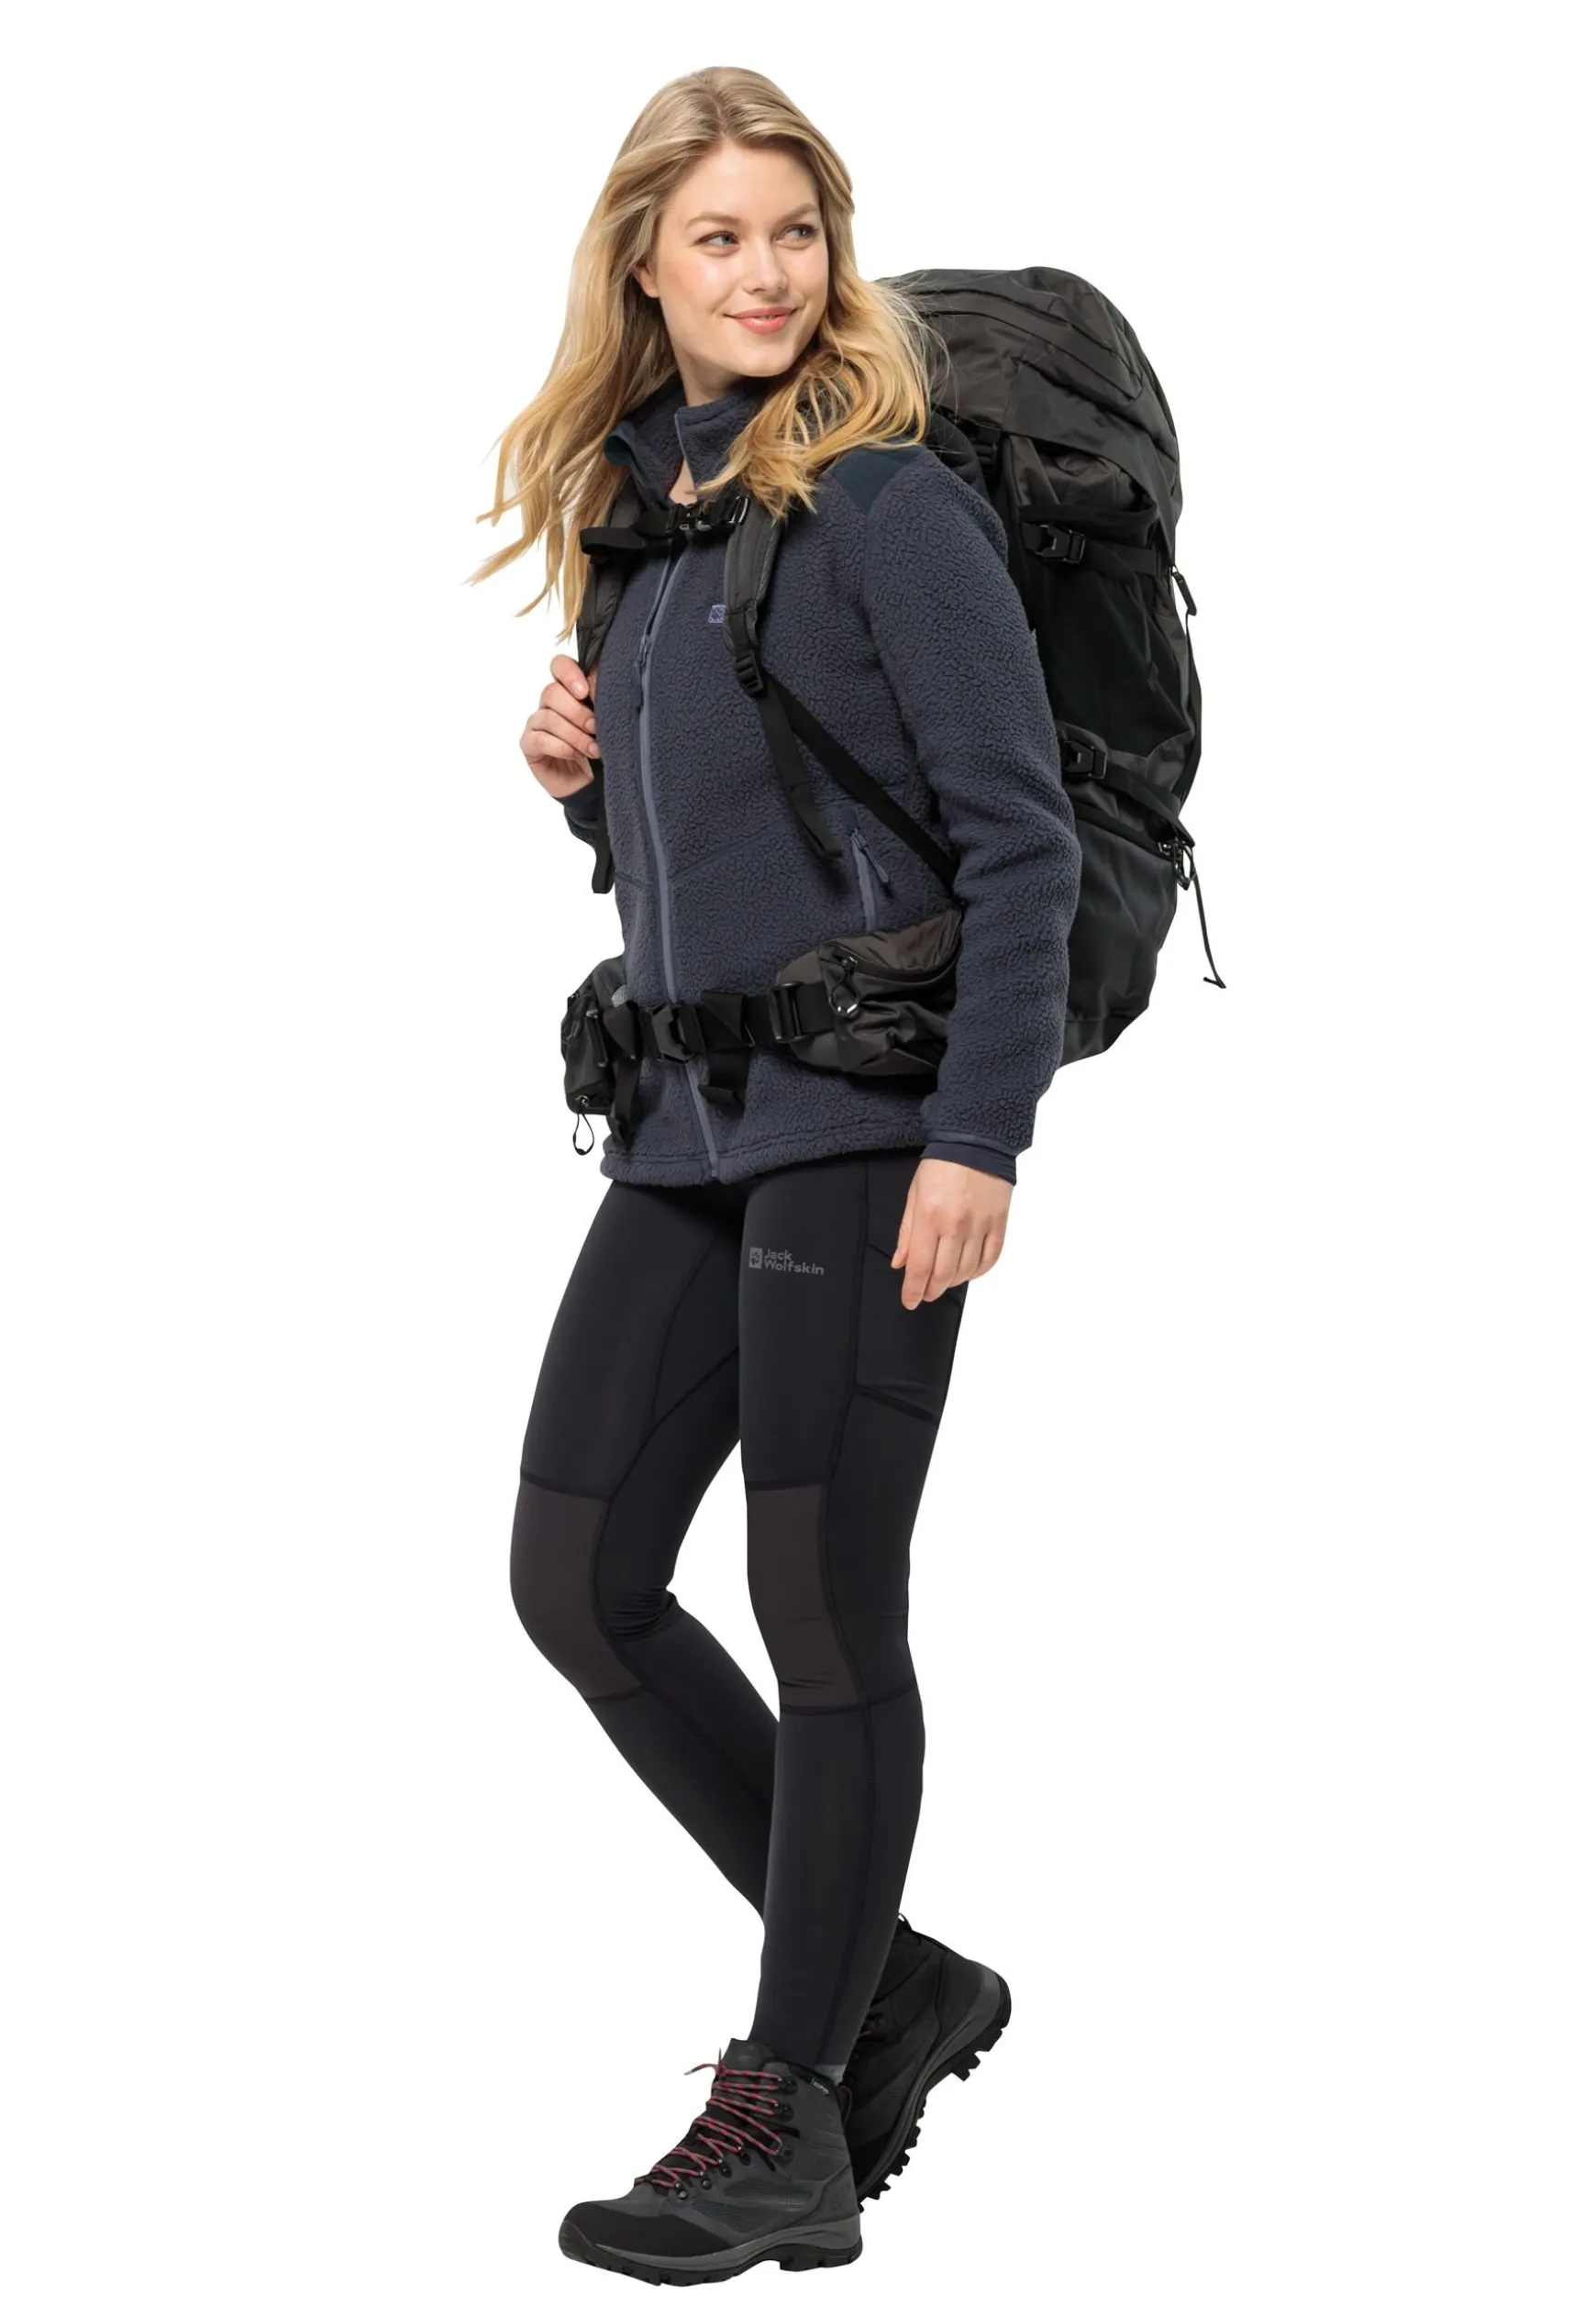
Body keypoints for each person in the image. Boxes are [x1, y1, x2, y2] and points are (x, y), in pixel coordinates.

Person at [472, 65, 1081, 2285]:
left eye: (796, 233)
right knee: (577, 1580)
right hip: (685, 1134)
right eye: (720, 237)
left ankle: (792, 2104)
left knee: (823, 1609)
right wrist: (579, 777)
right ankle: (890, 1983)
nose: (765, 273)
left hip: (867, 1135)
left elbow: (1017, 843)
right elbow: (714, 853)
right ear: (642, 264)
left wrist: (978, 1137)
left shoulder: (889, 510)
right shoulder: (642, 519)